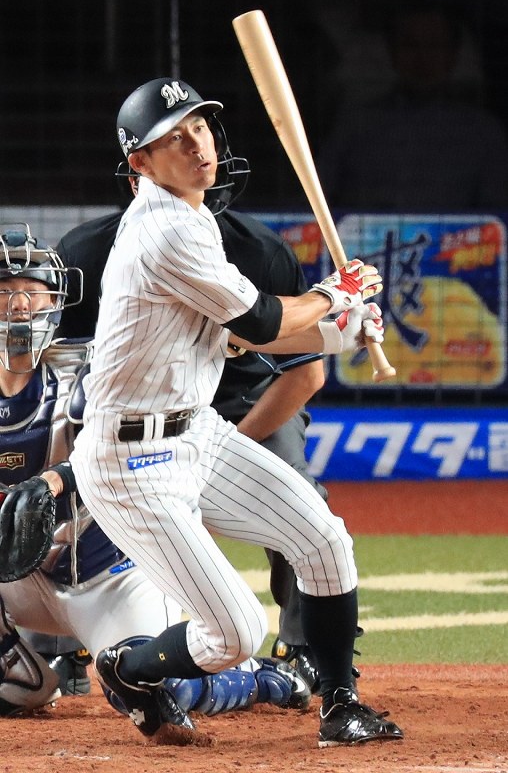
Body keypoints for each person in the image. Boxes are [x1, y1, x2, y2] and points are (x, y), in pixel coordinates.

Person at [68, 76, 401, 747]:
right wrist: (335, 294)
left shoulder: (193, 220)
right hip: (131, 462)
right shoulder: (164, 232)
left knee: (324, 540)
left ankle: (342, 705)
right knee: (235, 634)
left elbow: (252, 335)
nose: (197, 144)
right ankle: (130, 670)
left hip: (198, 433)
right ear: (140, 164)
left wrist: (344, 325)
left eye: (200, 127)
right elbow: (262, 314)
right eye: (174, 137)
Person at [0, 224, 315, 732]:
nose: (17, 305)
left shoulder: (100, 364)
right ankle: (19, 673)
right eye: (3, 291)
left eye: (28, 289)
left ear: (55, 299)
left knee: (159, 689)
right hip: (23, 582)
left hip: (112, 576)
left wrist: (335, 319)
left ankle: (256, 679)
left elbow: (132, 446)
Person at [56, 152, 337, 692]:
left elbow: (303, 375)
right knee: (65, 488)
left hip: (249, 398)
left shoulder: (260, 249)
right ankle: (70, 644)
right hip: (135, 409)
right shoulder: (95, 249)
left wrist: (342, 322)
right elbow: (67, 370)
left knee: (300, 501)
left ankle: (305, 647)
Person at [318, 4, 508, 211]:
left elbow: (497, 213)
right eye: (410, 45)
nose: (422, 58)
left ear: (453, 54)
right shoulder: (356, 122)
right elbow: (318, 194)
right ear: (391, 51)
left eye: (434, 45)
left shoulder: (483, 132)